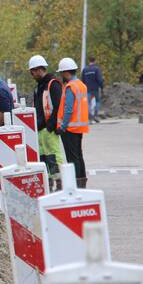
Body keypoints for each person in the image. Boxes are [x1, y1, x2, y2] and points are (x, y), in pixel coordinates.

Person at [28, 55, 65, 177]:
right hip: (40, 129)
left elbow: (59, 106)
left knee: (54, 156)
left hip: (49, 129)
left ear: (39, 70)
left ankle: (59, 181)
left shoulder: (52, 84)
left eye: (32, 72)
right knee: (44, 158)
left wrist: (50, 126)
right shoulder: (39, 86)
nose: (31, 75)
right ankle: (49, 181)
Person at [55, 57, 90, 188]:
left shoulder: (70, 87)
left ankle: (75, 185)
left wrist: (63, 126)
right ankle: (82, 183)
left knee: (72, 158)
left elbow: (68, 109)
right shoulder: (81, 85)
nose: (61, 75)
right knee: (79, 156)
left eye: (61, 73)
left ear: (65, 72)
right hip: (79, 127)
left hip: (70, 128)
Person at [81, 56, 104, 124]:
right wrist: (102, 87)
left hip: (87, 89)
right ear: (94, 61)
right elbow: (99, 79)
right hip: (95, 89)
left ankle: (89, 118)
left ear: (89, 60)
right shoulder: (96, 69)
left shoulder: (85, 69)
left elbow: (82, 79)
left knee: (88, 103)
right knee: (97, 102)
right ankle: (95, 116)